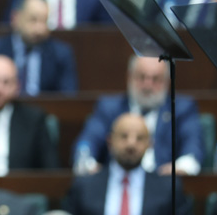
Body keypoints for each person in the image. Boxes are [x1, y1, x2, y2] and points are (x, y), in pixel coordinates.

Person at [62, 113, 198, 215]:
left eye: (139, 138)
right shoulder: (85, 186)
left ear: (150, 144)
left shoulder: (168, 188)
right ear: (110, 142)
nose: (131, 144)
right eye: (124, 136)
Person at [74, 56, 204, 175]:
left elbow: (192, 147)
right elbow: (87, 142)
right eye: (141, 77)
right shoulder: (109, 107)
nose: (147, 85)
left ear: (167, 82)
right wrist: (88, 165)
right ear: (129, 77)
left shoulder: (181, 109)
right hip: (119, 183)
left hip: (162, 184)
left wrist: (180, 168)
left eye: (155, 79)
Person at [0, 0, 78, 95]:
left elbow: (67, 97)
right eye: (33, 20)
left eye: (44, 21)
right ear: (15, 18)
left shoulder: (61, 54)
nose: (40, 29)